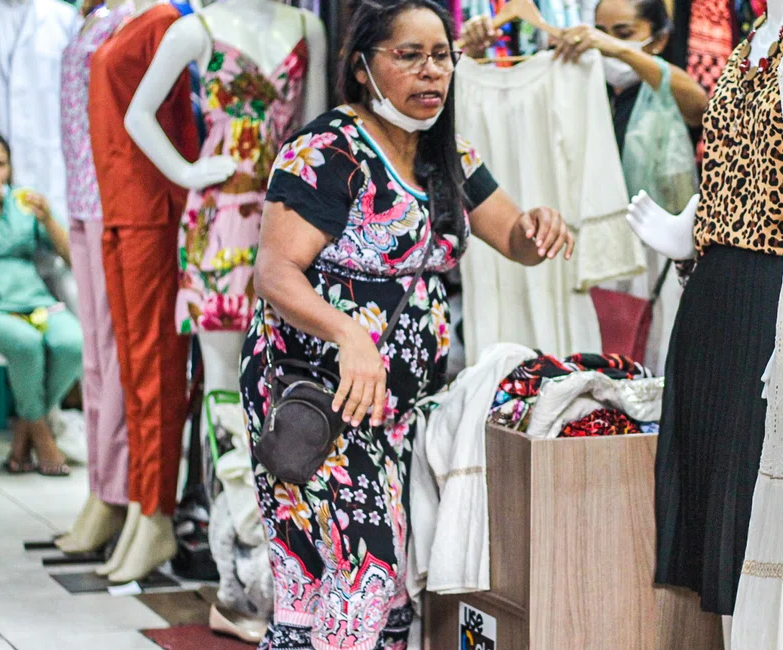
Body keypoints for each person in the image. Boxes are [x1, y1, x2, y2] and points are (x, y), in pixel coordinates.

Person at [238, 0, 575, 646]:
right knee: (355, 571)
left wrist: (541, 227)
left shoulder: (446, 153)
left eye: (441, 56)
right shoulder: (327, 150)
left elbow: (515, 237)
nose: (431, 73)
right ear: (363, 67)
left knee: (384, 585)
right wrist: (349, 333)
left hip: (395, 408)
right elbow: (275, 273)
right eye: (409, 56)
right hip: (318, 392)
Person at [460, 0, 708, 174]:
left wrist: (616, 48)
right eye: (601, 32)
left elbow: (699, 107)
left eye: (623, 33)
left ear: (660, 39)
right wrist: (474, 55)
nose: (607, 42)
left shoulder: (665, 90)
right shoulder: (581, 82)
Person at [0, 131, 81, 476]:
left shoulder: (22, 203)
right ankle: (43, 440)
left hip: (34, 299)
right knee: (25, 344)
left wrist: (48, 218)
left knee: (72, 342)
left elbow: (70, 256)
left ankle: (26, 427)